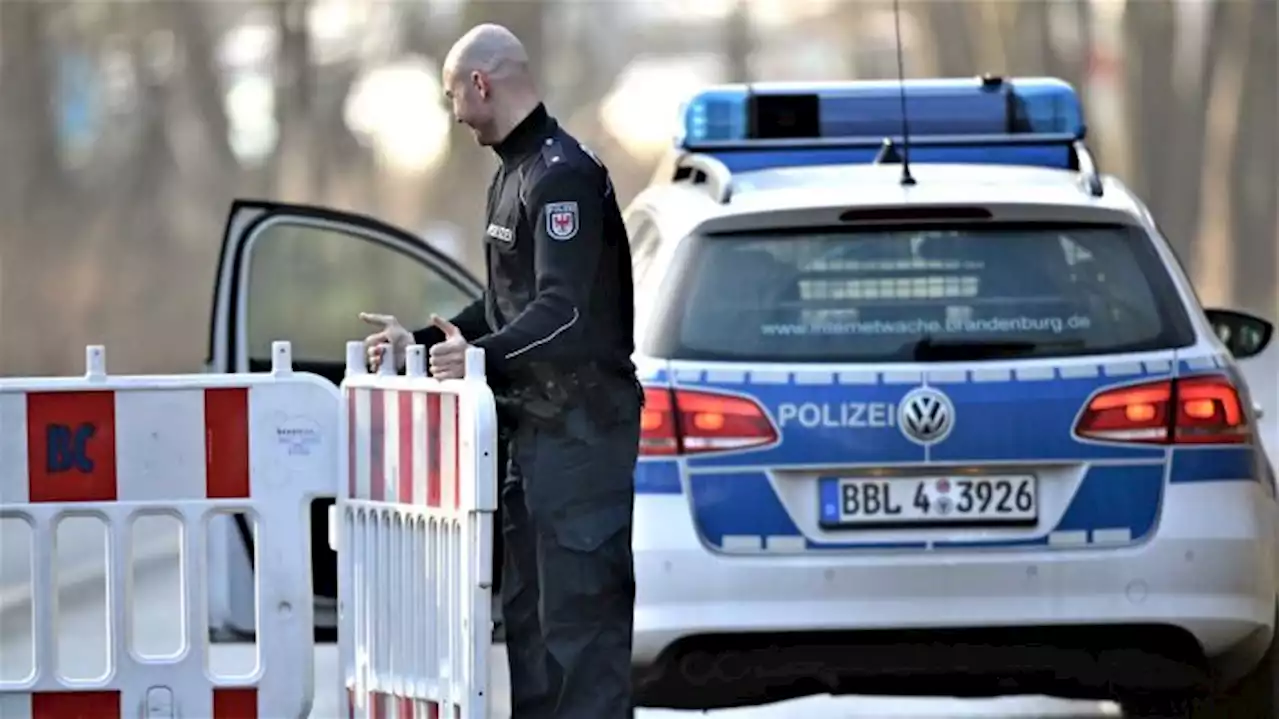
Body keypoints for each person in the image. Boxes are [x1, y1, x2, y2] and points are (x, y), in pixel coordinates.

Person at [359, 23, 641, 719]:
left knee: (583, 639)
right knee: (532, 633)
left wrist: (479, 357)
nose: (454, 112)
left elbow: (564, 312)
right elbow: (501, 304)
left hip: (581, 440)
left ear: (482, 84)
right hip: (529, 438)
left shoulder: (562, 174)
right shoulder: (513, 176)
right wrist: (422, 342)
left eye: (454, 94)